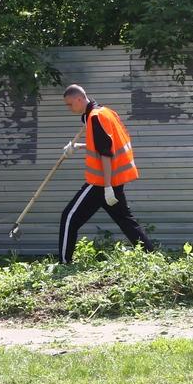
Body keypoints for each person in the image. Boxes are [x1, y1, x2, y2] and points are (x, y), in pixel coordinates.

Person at [58, 85, 155, 264]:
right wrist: (77, 147)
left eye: (69, 104)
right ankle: (153, 259)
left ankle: (64, 264)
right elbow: (104, 144)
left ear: (79, 99)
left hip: (101, 182)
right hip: (113, 180)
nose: (69, 108)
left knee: (69, 217)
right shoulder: (106, 112)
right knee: (126, 221)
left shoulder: (95, 117)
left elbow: (106, 153)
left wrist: (108, 186)